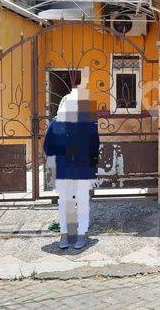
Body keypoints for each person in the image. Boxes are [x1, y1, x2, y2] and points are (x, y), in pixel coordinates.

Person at [43, 68, 100, 249]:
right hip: (66, 168)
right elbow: (48, 148)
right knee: (68, 202)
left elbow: (94, 147)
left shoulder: (88, 125)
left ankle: (79, 234)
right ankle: (66, 234)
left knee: (78, 201)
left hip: (80, 168)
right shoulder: (56, 125)